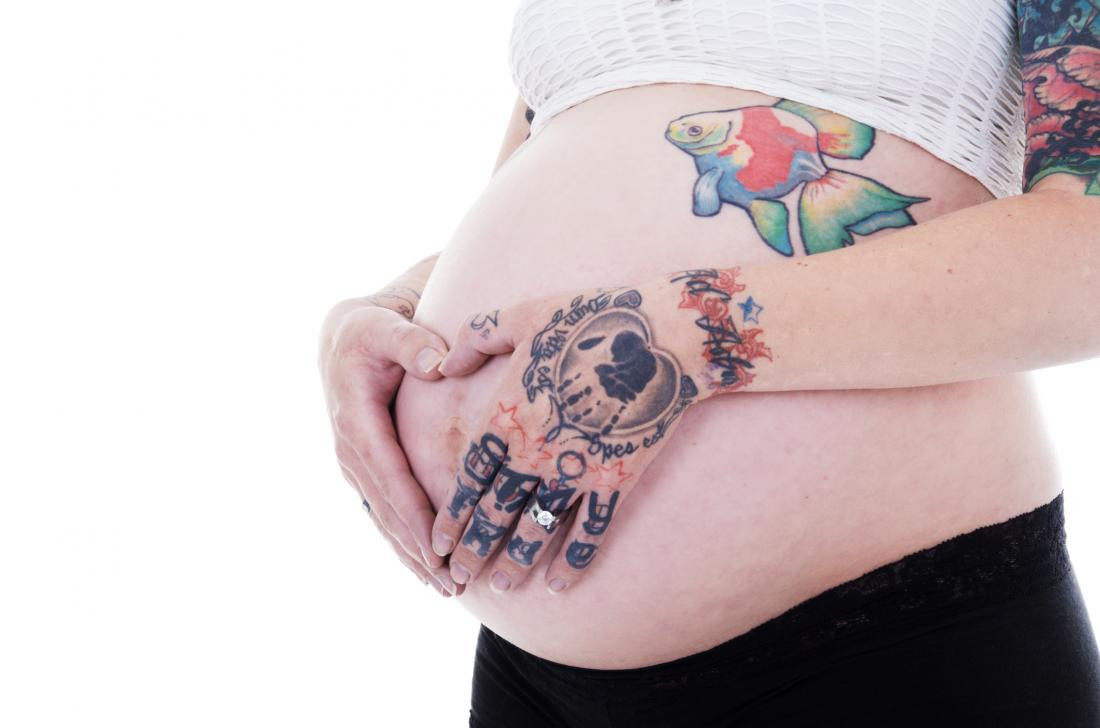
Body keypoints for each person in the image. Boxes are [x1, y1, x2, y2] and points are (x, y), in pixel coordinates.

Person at [318, 1, 1100, 725]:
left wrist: (696, 327)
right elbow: (558, 174)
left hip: (884, 640)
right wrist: (395, 309)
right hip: (533, 674)